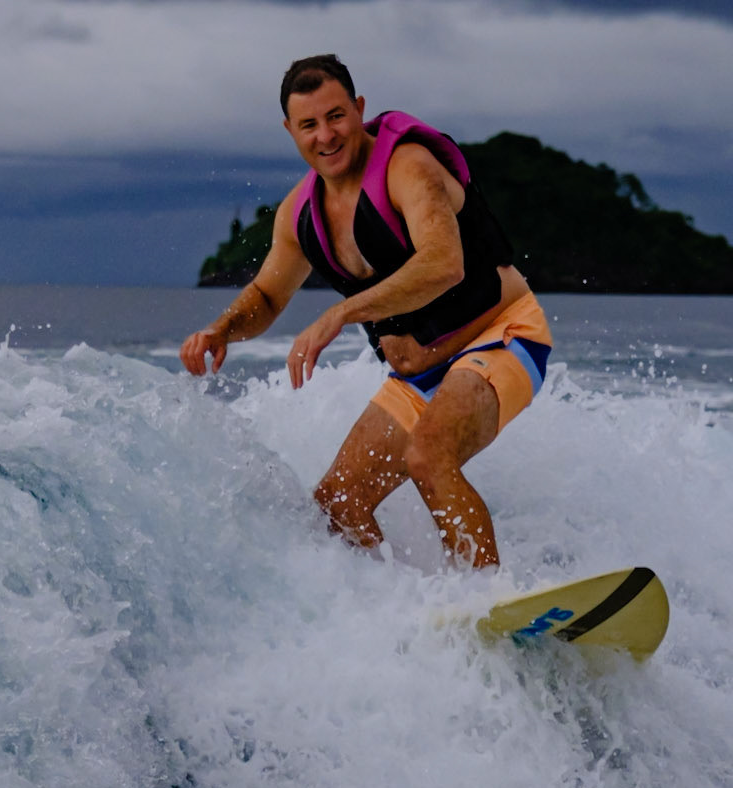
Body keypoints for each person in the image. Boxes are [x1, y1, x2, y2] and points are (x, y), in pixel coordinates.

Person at [180, 54, 551, 568]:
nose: (326, 136)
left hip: (500, 337)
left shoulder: (407, 168)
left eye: (336, 116)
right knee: (338, 502)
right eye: (308, 125)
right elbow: (267, 295)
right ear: (290, 130)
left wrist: (339, 315)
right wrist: (221, 330)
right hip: (420, 377)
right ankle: (394, 606)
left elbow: (444, 263)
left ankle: (491, 602)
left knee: (429, 456)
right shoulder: (299, 214)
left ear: (358, 109)